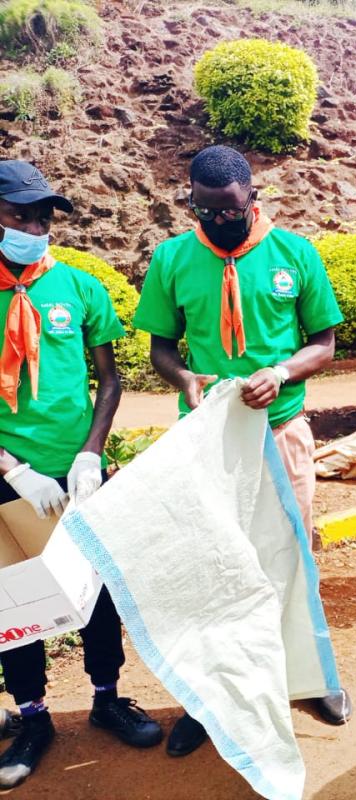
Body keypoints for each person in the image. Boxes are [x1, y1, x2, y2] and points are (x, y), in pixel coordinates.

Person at [132, 145, 352, 757]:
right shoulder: (173, 258)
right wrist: (185, 379)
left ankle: (310, 678)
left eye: (230, 210)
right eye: (205, 211)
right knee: (217, 566)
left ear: (252, 197)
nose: (219, 221)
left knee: (293, 557)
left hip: (280, 431)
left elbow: (324, 343)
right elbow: (161, 348)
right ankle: (212, 698)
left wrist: (281, 372)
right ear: (192, 201)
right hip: (209, 441)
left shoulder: (294, 253)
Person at [0, 160, 163, 788]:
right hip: (9, 476)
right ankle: (33, 717)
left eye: (43, 218)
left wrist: (91, 452)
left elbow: (110, 379)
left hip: (79, 473)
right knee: (18, 598)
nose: (34, 229)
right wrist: (15, 469)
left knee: (97, 591)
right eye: (19, 216)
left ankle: (106, 698)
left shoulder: (79, 287)